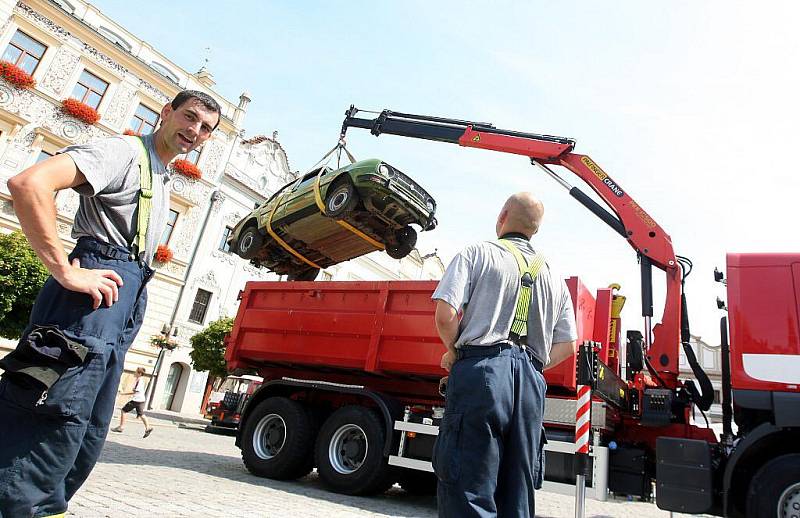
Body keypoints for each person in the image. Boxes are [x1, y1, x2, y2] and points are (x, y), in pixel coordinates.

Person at [0, 90, 220, 518]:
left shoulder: (162, 174)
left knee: (88, 425)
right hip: (90, 299)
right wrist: (65, 269)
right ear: (165, 112)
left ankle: (48, 508)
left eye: (206, 127)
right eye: (189, 117)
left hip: (123, 297)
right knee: (52, 412)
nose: (194, 130)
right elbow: (29, 183)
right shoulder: (122, 151)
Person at [431, 192, 578, 518]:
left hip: (481, 374)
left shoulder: (477, 253)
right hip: (530, 386)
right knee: (517, 493)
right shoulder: (555, 277)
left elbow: (444, 315)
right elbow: (569, 346)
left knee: (468, 486)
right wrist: (532, 365)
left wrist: (454, 352)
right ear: (534, 230)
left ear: (503, 215)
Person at [111, 367, 153, 438]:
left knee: (123, 410)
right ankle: (148, 428)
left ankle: (121, 427)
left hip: (136, 400)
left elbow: (135, 392)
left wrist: (123, 394)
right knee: (141, 414)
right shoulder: (139, 380)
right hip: (141, 400)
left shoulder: (139, 381)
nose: (134, 373)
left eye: (136, 372)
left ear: (139, 373)